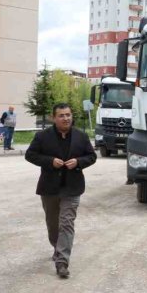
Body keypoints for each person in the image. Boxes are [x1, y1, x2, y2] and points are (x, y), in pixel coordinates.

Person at [25, 103, 97, 279]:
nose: (66, 118)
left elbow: (92, 156)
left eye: (68, 115)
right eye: (62, 115)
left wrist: (78, 162)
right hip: (49, 188)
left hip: (72, 188)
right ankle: (57, 248)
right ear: (53, 118)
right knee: (53, 224)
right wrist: (50, 161)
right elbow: (30, 155)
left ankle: (62, 261)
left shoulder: (81, 136)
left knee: (67, 223)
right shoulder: (43, 136)